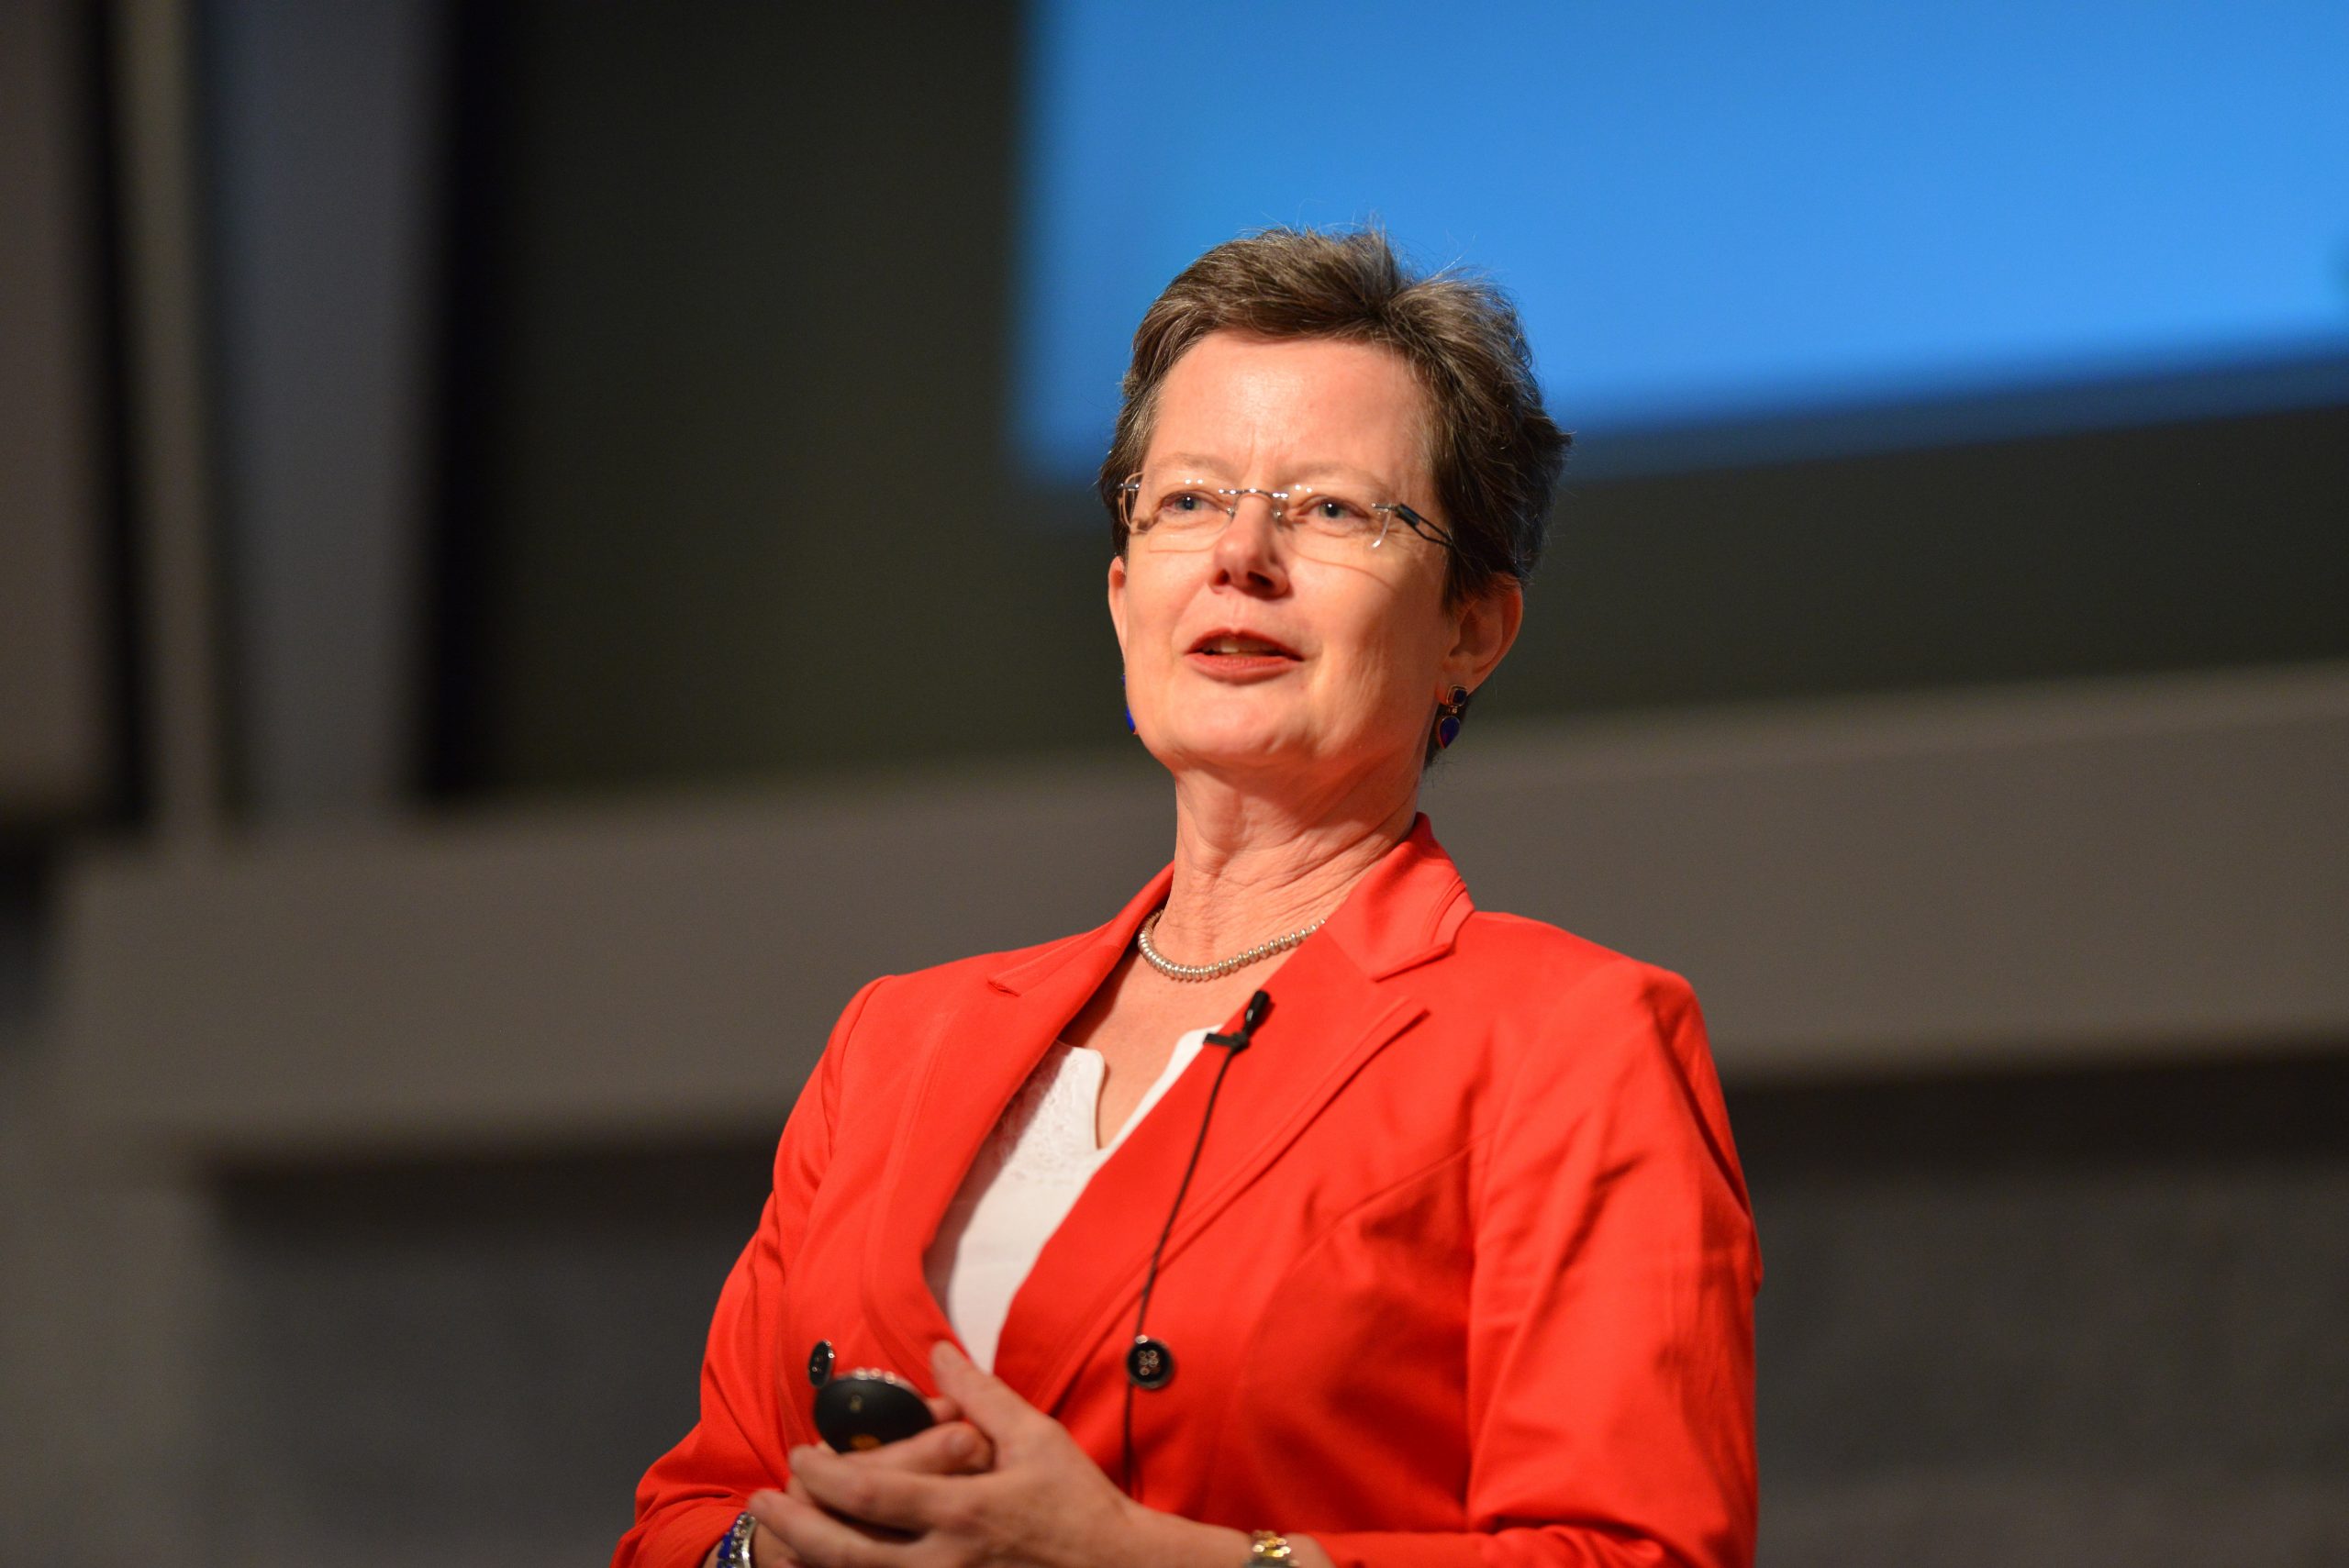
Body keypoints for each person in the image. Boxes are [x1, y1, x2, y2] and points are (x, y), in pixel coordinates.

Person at [615, 228, 1760, 1568]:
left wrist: (1144, 1560)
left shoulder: (1570, 1042)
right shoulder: (895, 1045)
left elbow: (1638, 1558)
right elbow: (687, 1515)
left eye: (1332, 509)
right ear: (1121, 593)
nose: (1244, 556)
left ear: (1472, 628)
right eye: (1187, 502)